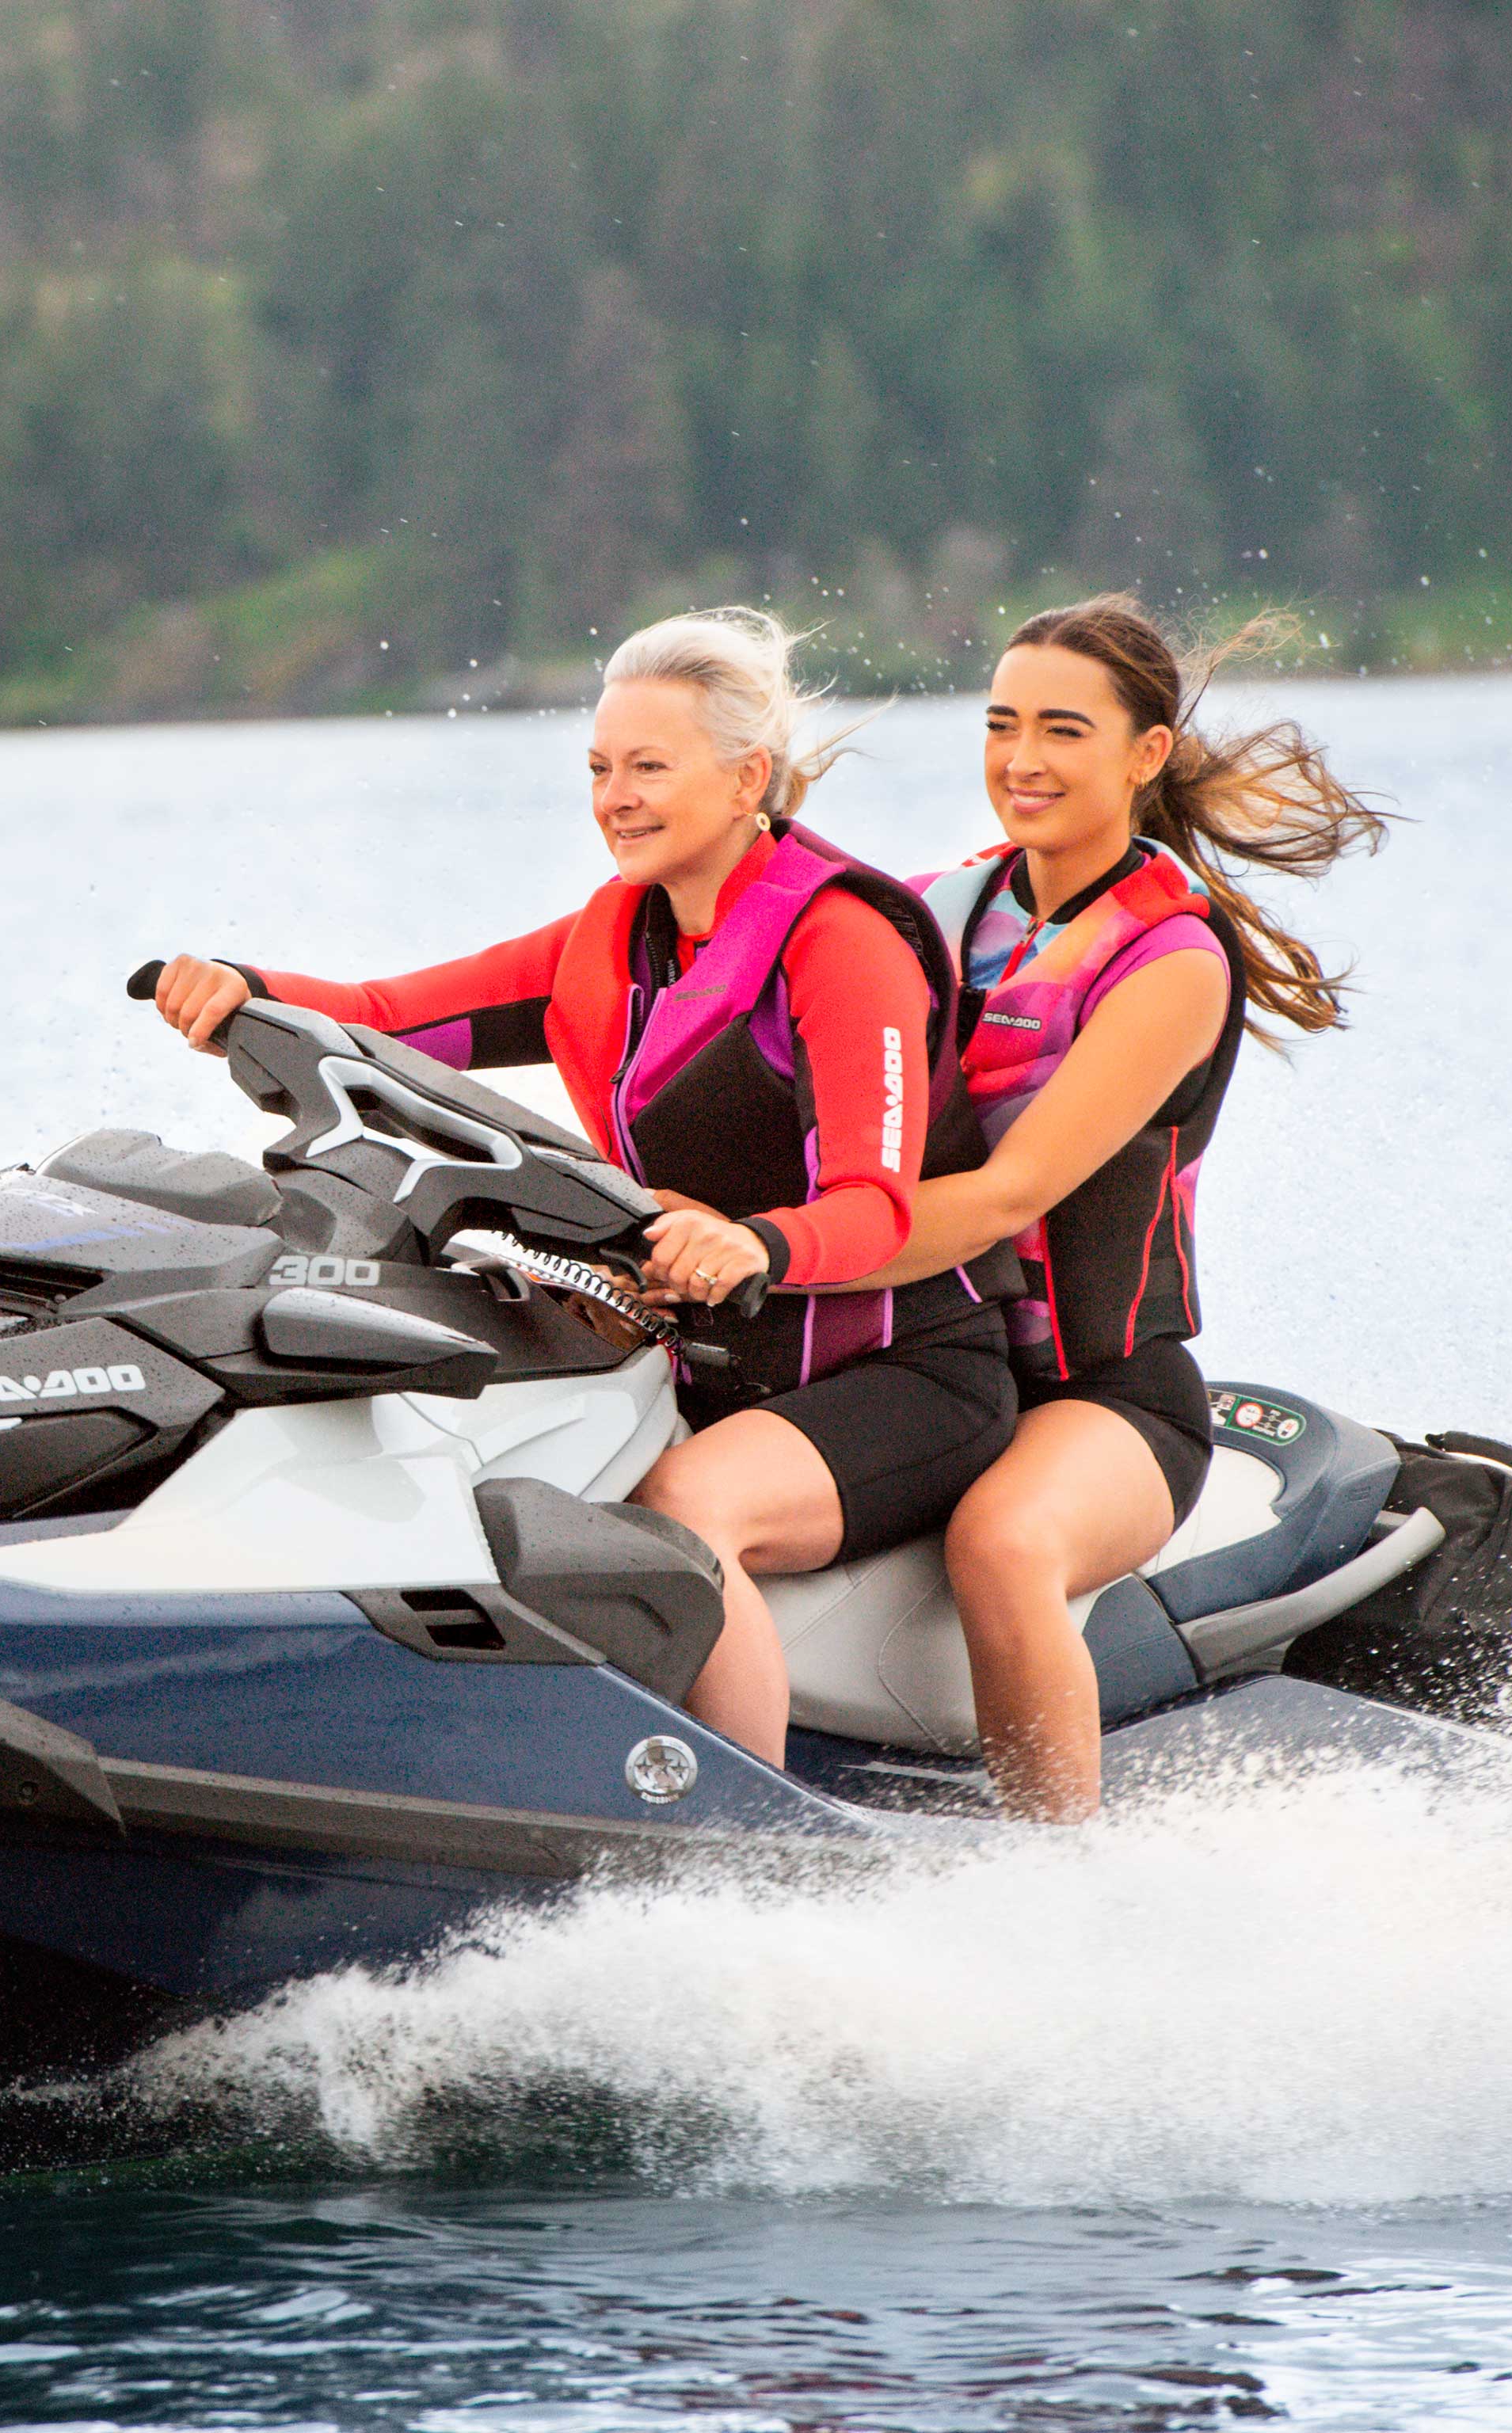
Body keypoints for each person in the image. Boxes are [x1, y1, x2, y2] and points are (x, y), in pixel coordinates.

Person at [147, 609, 1017, 1767]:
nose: (616, 796)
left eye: (651, 767)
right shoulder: (613, 941)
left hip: (910, 1372)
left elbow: (881, 1202)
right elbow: (388, 1019)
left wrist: (755, 1243)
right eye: (601, 769)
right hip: (711, 1358)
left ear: (748, 775)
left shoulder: (841, 941)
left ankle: (744, 1852)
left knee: (684, 1511)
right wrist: (244, 992)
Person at [854, 595, 1389, 1819]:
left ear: (1145, 755)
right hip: (924, 1358)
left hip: (1101, 1396)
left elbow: (1012, 1193)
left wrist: (779, 1253)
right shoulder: (930, 912)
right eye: (999, 725)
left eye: (1061, 730)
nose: (1021, 761)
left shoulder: (1174, 964)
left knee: (1002, 1546)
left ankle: (1060, 1888)